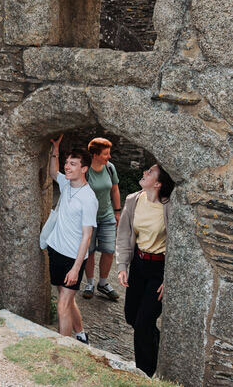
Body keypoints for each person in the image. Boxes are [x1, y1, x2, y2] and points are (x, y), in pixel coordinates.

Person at [115, 163, 176, 377]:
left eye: (150, 172)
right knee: (132, 317)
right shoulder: (133, 200)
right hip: (139, 265)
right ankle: (156, 348)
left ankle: (144, 374)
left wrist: (170, 279)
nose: (144, 173)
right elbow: (123, 234)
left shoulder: (170, 207)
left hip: (160, 269)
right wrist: (123, 266)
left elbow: (179, 246)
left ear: (158, 184)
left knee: (143, 323)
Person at [39, 135, 98, 345]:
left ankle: (62, 349)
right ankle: (81, 333)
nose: (67, 167)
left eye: (73, 164)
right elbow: (53, 172)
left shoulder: (88, 198)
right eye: (67, 162)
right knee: (66, 297)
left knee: (63, 304)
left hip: (73, 257)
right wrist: (55, 150)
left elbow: (87, 236)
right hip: (55, 250)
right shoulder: (66, 184)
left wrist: (76, 268)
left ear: (84, 169)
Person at [82, 137, 121, 301]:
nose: (109, 157)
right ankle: (90, 283)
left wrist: (117, 211)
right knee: (89, 251)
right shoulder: (85, 171)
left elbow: (115, 190)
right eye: (105, 154)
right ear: (95, 154)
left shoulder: (110, 168)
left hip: (107, 216)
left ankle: (103, 283)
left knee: (109, 251)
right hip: (88, 219)